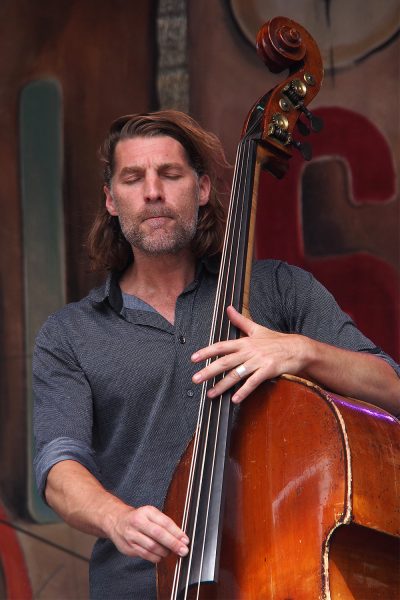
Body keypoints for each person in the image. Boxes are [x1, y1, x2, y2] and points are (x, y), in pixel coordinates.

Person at [33, 110, 400, 599]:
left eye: (170, 174)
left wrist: (301, 351)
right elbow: (59, 466)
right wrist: (115, 518)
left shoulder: (278, 291)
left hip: (279, 575)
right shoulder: (70, 334)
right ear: (111, 200)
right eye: (132, 178)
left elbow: (390, 388)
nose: (153, 192)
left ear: (202, 188)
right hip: (138, 587)